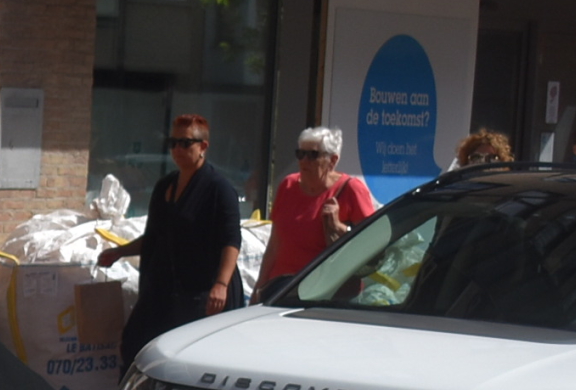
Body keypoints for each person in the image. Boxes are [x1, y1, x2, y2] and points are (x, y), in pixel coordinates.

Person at [99, 113, 245, 365]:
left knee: (190, 357)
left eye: (185, 143)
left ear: (203, 147)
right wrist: (120, 251)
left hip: (200, 292)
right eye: (173, 142)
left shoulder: (218, 188)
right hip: (162, 288)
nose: (177, 149)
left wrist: (221, 284)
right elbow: (156, 235)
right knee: (135, 344)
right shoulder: (164, 185)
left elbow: (231, 240)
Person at [256, 125, 374, 287]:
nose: (304, 160)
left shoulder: (352, 190)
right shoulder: (288, 185)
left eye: (312, 155)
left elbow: (372, 243)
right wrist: (260, 286)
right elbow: (274, 244)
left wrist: (339, 227)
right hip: (282, 287)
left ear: (332, 160)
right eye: (300, 154)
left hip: (324, 291)